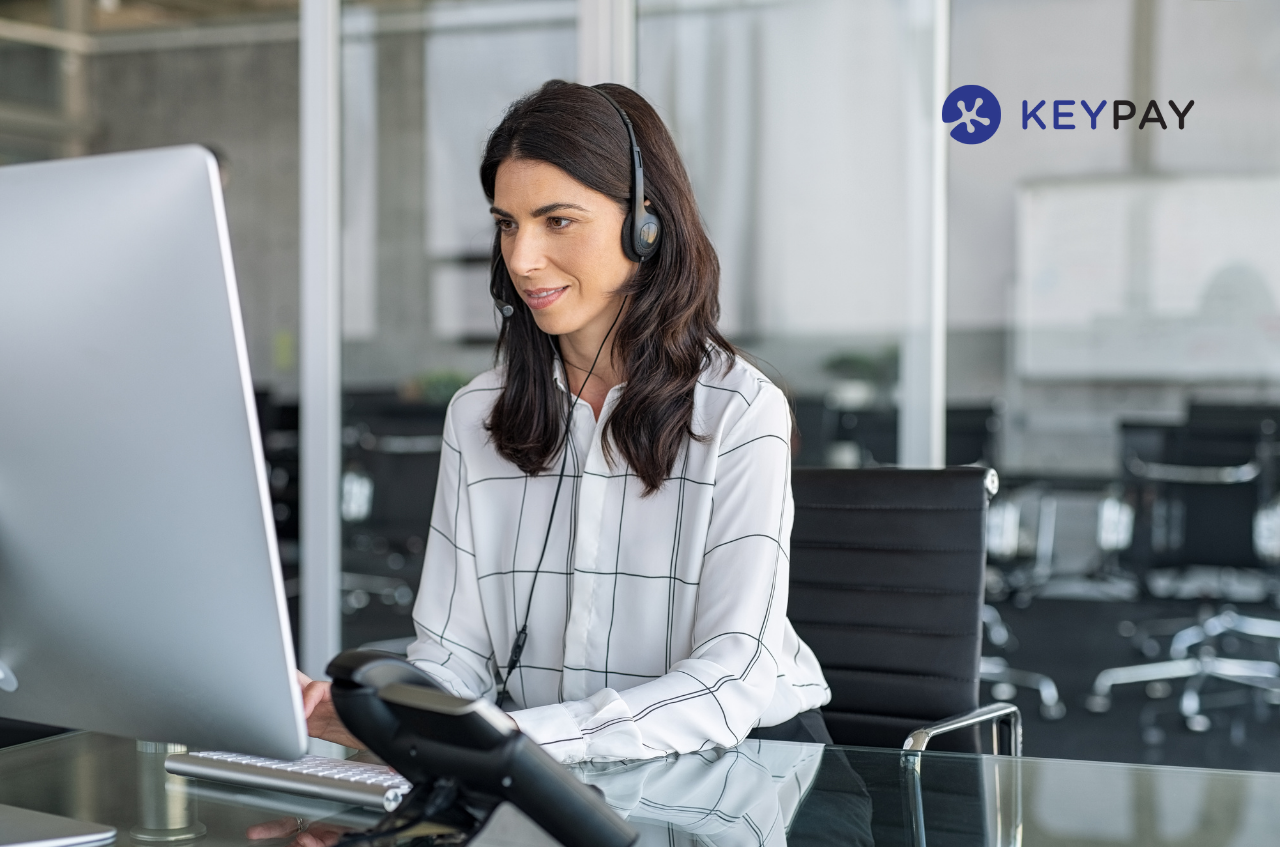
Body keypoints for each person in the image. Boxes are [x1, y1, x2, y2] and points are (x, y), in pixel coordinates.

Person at [300, 79, 830, 763]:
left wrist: (515, 737)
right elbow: (454, 658)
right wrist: (377, 718)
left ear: (646, 223)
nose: (521, 259)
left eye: (557, 221)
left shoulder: (738, 412)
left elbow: (728, 682)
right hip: (557, 771)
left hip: (750, 771)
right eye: (507, 224)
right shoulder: (478, 417)